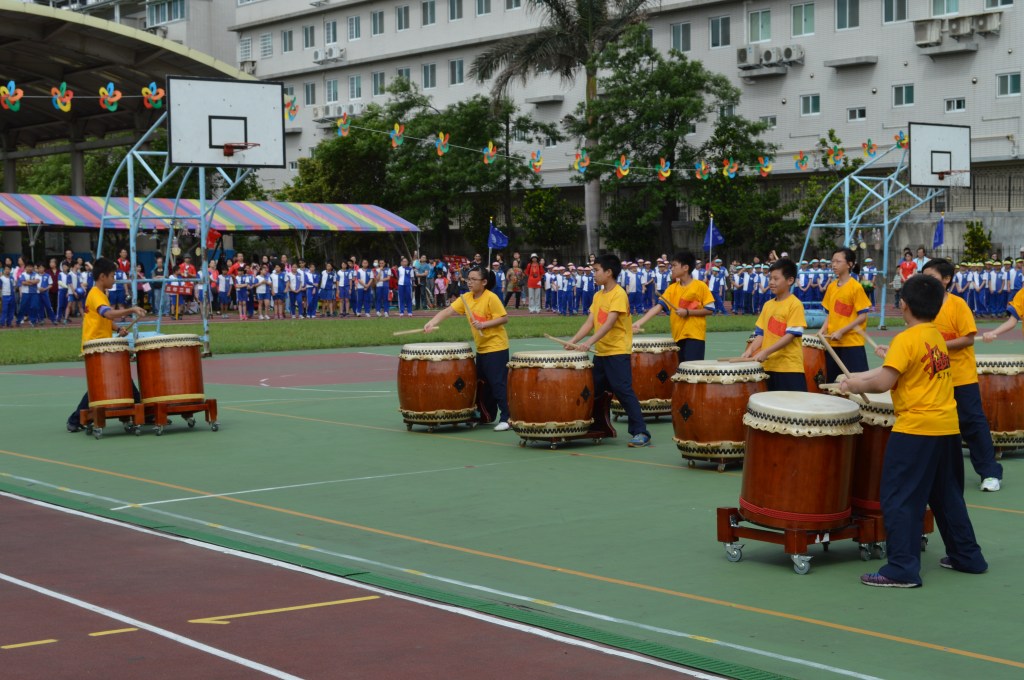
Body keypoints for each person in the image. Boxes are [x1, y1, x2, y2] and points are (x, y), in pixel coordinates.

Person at [839, 274, 987, 587]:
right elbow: (887, 370)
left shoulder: (905, 339)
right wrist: (856, 378)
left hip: (916, 429)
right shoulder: (934, 335)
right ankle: (967, 556)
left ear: (903, 305)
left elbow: (883, 382)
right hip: (946, 427)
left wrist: (853, 385)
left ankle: (902, 569)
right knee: (947, 496)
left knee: (900, 497)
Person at [895, 259, 1002, 492]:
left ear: (946, 280)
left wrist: (939, 344)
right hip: (933, 378)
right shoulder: (921, 308)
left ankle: (990, 472)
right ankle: (942, 476)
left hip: (961, 376)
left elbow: (968, 338)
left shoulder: (957, 305)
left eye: (932, 277)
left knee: (972, 423)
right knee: (940, 428)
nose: (926, 282)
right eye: (923, 277)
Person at [566, 254, 651, 448]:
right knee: (594, 391)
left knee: (622, 390)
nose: (593, 274)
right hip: (602, 353)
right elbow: (590, 322)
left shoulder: (619, 294)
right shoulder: (598, 296)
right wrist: (573, 341)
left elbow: (609, 324)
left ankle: (641, 432)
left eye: (596, 270)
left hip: (617, 351)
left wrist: (588, 343)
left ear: (608, 272)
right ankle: (598, 424)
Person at [424, 266, 511, 431]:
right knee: (482, 384)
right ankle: (486, 415)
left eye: (473, 279)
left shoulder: (490, 298)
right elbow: (448, 311)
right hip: (482, 348)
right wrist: (432, 322)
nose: (469, 282)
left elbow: (504, 318)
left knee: (498, 383)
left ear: (484, 282)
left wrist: (484, 324)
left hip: (497, 347)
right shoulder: (466, 298)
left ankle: (508, 418)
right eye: (468, 279)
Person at [66, 257, 146, 432]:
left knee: (110, 380)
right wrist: (132, 309)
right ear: (103, 276)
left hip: (102, 346)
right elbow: (108, 314)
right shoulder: (95, 295)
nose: (114, 279)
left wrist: (118, 329)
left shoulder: (101, 294)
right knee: (106, 383)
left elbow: (103, 319)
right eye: (112, 275)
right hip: (97, 347)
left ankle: (144, 411)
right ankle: (75, 419)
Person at [632, 251, 715, 362]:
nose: (671, 268)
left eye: (674, 265)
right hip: (677, 336)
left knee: (691, 372)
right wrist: (639, 322)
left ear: (685, 267)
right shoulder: (672, 289)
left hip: (695, 336)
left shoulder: (700, 286)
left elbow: (709, 310)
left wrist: (688, 312)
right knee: (679, 371)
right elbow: (658, 307)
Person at [743, 259, 807, 391]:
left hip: (789, 368)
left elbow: (790, 336)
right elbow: (761, 334)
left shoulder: (795, 304)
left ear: (789, 281)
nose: (771, 282)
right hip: (768, 366)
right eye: (770, 278)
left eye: (776, 279)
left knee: (793, 407)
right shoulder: (767, 305)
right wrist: (749, 351)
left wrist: (766, 351)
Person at [820, 247, 872, 383]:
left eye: (838, 261)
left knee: (857, 384)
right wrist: (821, 331)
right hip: (833, 343)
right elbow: (830, 313)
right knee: (832, 385)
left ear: (849, 264)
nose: (834, 265)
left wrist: (841, 331)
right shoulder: (831, 287)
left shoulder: (856, 287)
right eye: (832, 261)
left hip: (852, 344)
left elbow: (862, 316)